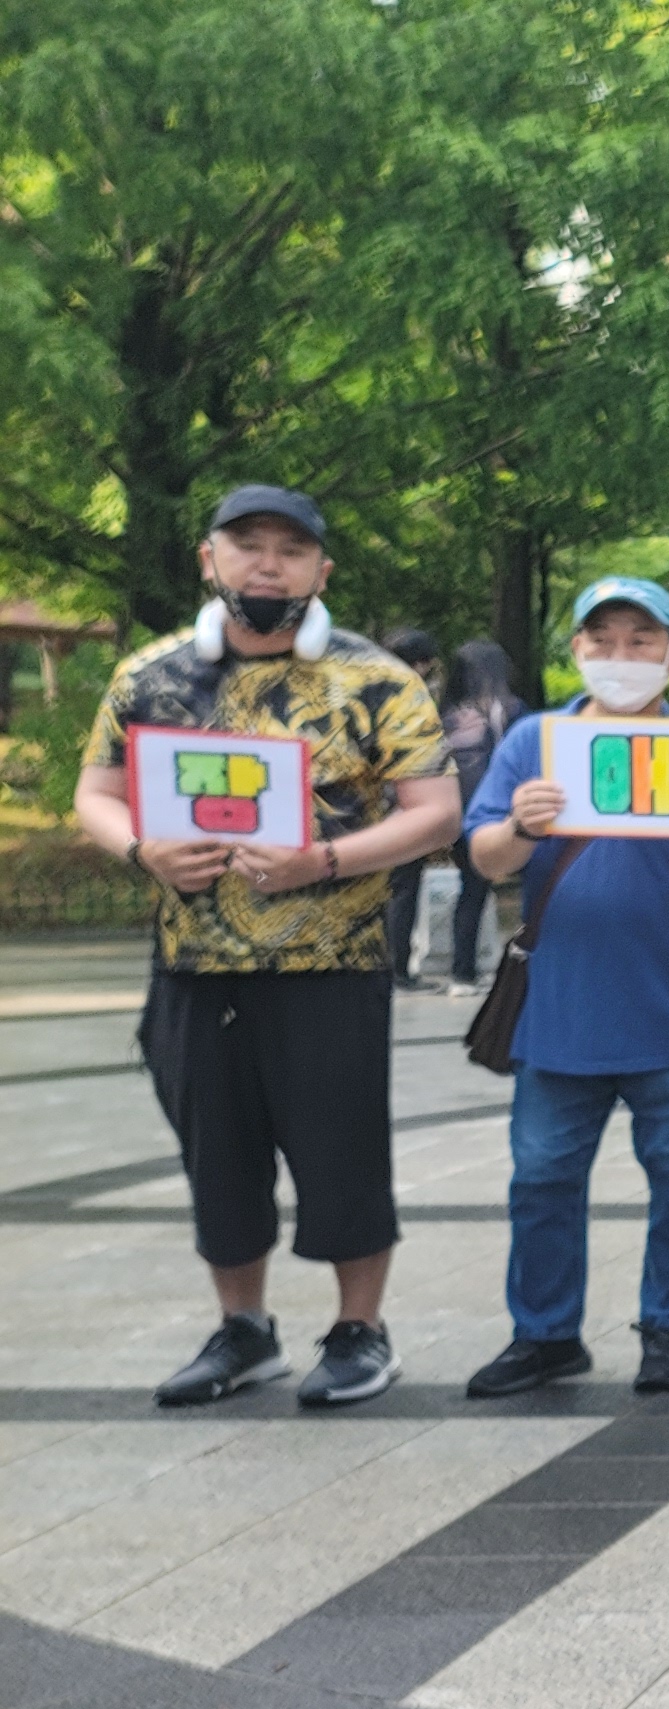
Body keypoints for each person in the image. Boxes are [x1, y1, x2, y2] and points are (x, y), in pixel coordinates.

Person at [76, 484, 460, 1407]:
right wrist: (142, 848)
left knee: (343, 1150)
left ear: (321, 571)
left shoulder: (376, 679)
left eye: (291, 549)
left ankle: (360, 1331)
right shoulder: (149, 677)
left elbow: (438, 813)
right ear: (209, 559)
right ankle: (243, 1329)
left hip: (332, 962)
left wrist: (322, 860)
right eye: (247, 544)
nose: (268, 565)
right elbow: (96, 793)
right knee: (217, 1156)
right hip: (194, 966)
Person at [458, 577, 669, 1397]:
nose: (621, 656)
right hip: (560, 1014)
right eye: (603, 640)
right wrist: (522, 824)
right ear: (578, 650)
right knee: (541, 1180)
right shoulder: (535, 743)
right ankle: (545, 1334)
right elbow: (486, 859)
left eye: (640, 640)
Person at [435, 640, 526, 988]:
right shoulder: (510, 710)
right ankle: (482, 967)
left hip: (451, 807)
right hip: (494, 812)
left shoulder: (443, 714)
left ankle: (462, 971)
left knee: (469, 891)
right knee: (482, 889)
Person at [378, 629, 445, 992]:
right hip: (403, 807)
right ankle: (398, 970)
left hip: (367, 811)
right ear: (420, 663)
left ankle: (382, 967)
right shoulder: (411, 698)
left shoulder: (368, 688)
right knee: (403, 891)